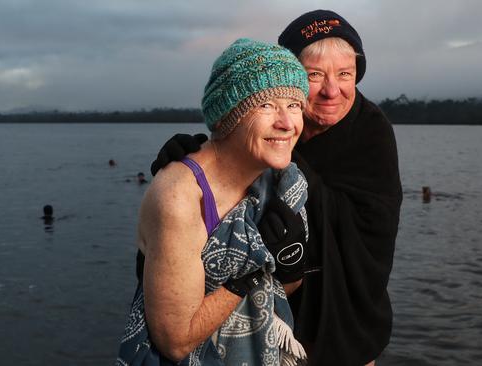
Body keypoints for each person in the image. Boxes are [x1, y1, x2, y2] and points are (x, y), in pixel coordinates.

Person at [150, 10, 403, 365]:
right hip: (269, 319)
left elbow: (368, 229)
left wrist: (269, 155)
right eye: (315, 75)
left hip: (346, 325)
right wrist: (206, 157)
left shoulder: (371, 132)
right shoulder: (276, 125)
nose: (333, 90)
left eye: (345, 74)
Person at [117, 39, 311, 365]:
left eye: (294, 105)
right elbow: (175, 343)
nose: (287, 122)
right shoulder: (180, 197)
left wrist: (291, 263)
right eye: (265, 105)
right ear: (227, 117)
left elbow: (281, 286)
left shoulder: (277, 180)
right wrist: (246, 276)